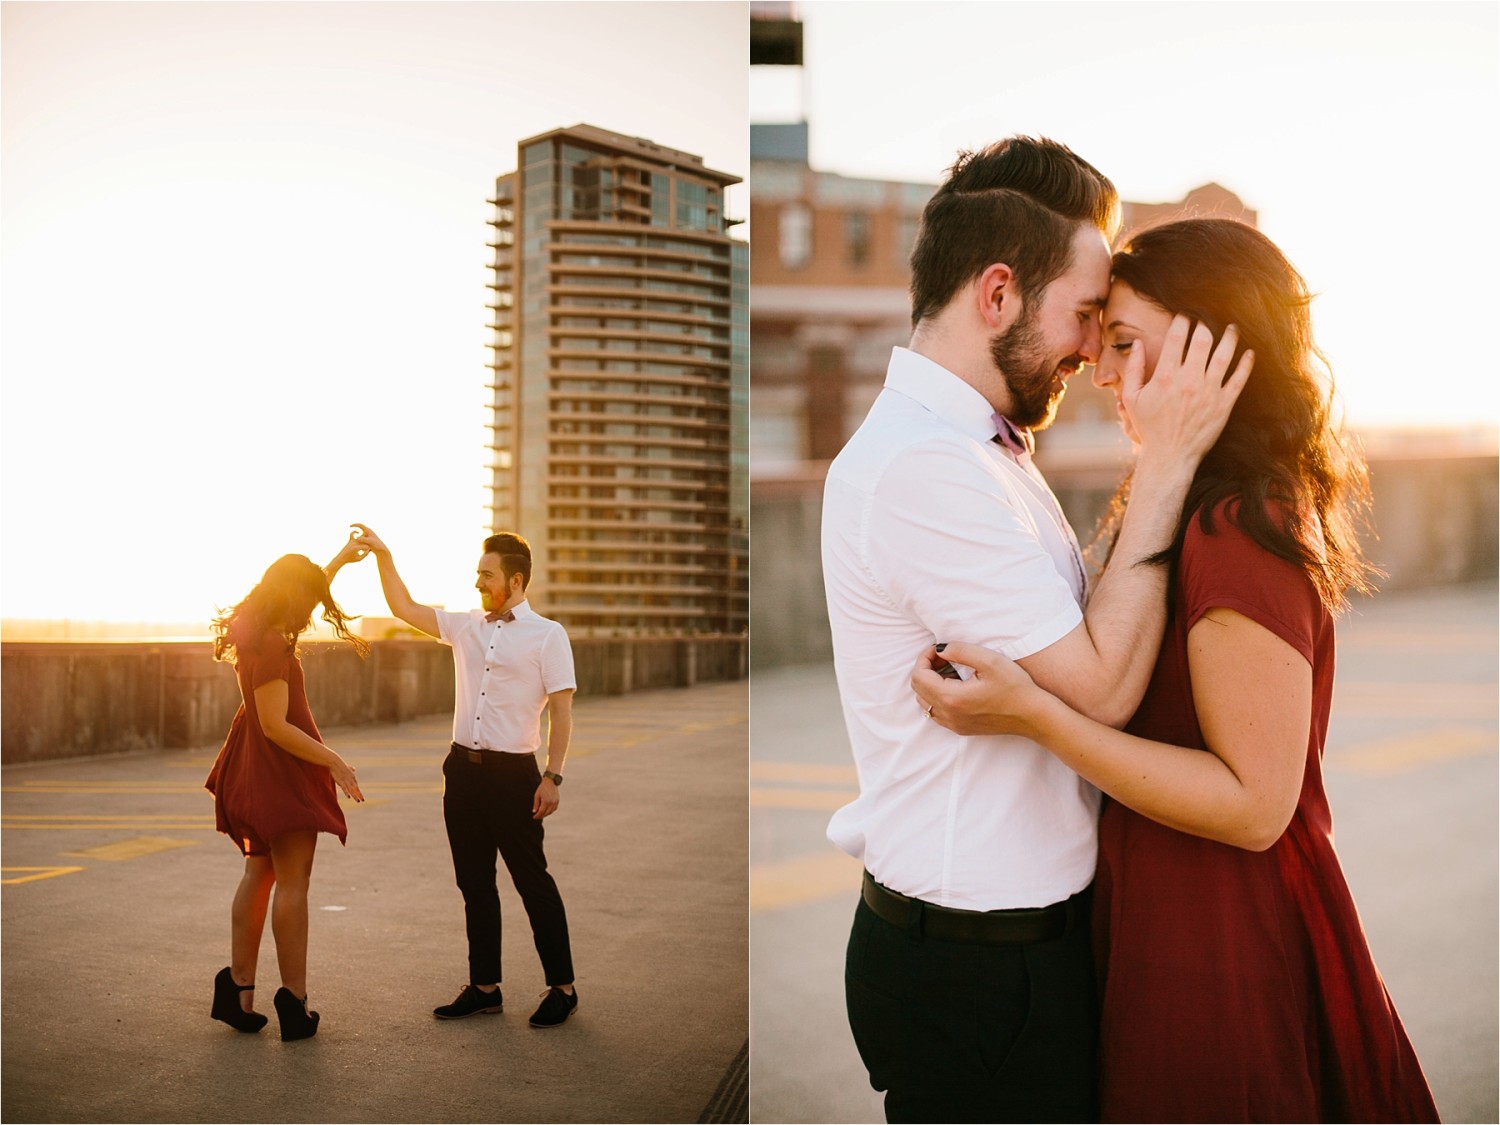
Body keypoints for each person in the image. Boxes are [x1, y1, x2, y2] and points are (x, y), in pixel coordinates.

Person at [912, 218, 1439, 1122]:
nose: (1103, 370)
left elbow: (1254, 803)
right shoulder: (1188, 501)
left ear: (1212, 345)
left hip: (1222, 946)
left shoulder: (1235, 527)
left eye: (1124, 342)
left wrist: (1036, 716)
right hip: (1173, 920)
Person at [820, 136, 1251, 1122]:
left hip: (1004, 951)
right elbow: (1100, 685)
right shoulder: (926, 467)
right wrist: (1168, 460)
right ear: (998, 293)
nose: (1095, 350)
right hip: (977, 969)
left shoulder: (981, 449)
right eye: (1086, 314)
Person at [350, 524, 579, 1028]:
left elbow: (562, 713)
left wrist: (553, 776)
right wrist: (384, 556)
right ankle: (484, 988)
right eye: (478, 573)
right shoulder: (466, 626)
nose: (478, 582)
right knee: (474, 884)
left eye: (487, 574)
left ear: (515, 580)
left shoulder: (548, 635)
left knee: (532, 882)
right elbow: (403, 607)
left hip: (514, 776)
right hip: (462, 774)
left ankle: (563, 988)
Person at [205, 541, 369, 1042]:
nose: (312, 609)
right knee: (292, 883)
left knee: (259, 874)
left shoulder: (251, 628)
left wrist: (338, 561)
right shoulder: (275, 642)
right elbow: (276, 724)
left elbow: (304, 587)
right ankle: (293, 1002)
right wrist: (333, 761)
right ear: (294, 598)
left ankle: (238, 992)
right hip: (281, 770)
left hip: (253, 766)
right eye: (310, 598)